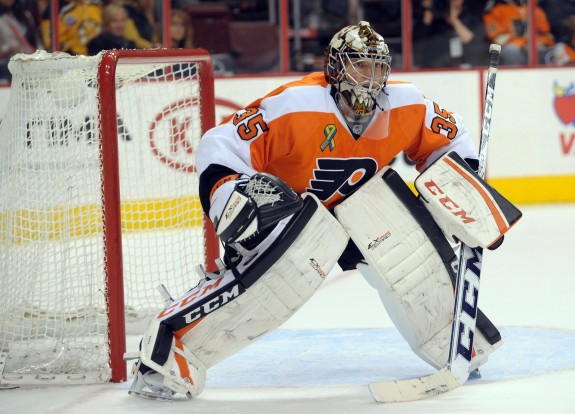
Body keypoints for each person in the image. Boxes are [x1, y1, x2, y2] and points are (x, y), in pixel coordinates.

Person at [126, 21, 522, 400]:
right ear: (335, 67)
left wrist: (464, 191)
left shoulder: (407, 103)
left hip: (364, 212)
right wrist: (230, 194)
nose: (369, 76)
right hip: (289, 220)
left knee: (407, 246)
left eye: (377, 66)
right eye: (359, 64)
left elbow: (451, 139)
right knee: (284, 275)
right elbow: (221, 142)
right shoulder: (295, 104)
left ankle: (455, 341)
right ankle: (165, 353)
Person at [413, 0, 489, 68]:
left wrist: (454, 20)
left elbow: (474, 41)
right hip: (438, 68)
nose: (453, 2)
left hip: (467, 68)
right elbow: (417, 44)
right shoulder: (436, 21)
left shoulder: (471, 16)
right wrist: (426, 20)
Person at [483, 0, 554, 65]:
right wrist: (524, 44)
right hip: (513, 49)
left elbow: (547, 35)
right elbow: (498, 40)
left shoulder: (535, 9)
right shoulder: (495, 10)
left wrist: (540, 43)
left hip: (535, 48)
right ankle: (515, 78)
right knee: (512, 51)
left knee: (556, 51)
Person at [0, 0, 40, 83]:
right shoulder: (2, 19)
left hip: (30, 60)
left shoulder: (26, 15)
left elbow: (36, 39)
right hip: (10, 62)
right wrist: (8, 49)